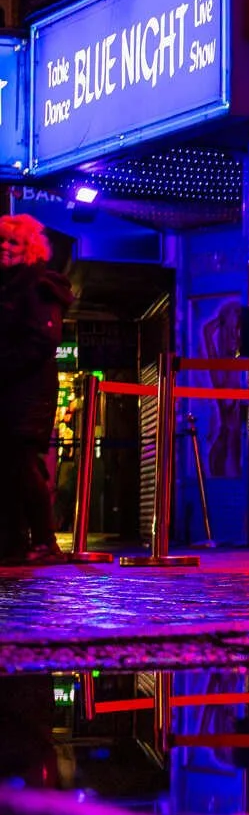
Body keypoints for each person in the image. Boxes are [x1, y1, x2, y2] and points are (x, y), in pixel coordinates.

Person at [0, 217, 70, 567]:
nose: (5, 248)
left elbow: (42, 339)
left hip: (28, 389)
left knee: (23, 462)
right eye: (1, 242)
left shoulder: (38, 285)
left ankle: (44, 541)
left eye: (13, 243)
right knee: (11, 464)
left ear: (28, 248)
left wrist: (6, 363)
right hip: (12, 386)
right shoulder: (9, 286)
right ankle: (15, 543)